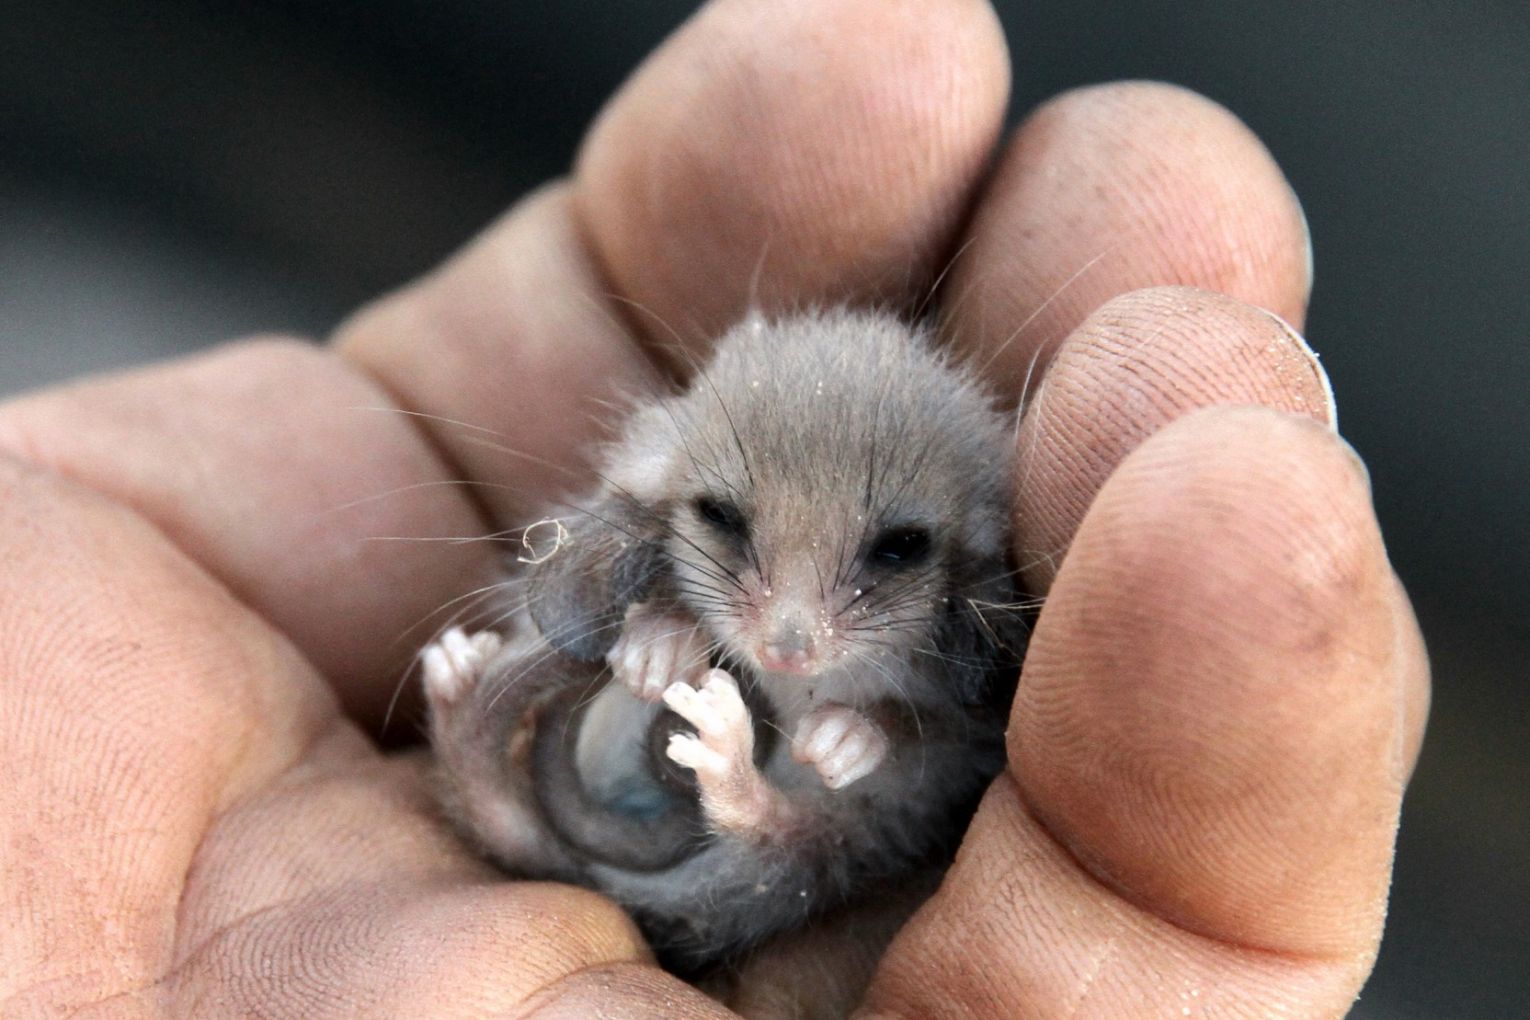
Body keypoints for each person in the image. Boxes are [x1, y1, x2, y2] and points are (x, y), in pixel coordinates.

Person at [0, 1, 1427, 1016]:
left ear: (966, 542)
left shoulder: (968, 600)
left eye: (886, 555)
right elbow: (587, 593)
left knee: (871, 797)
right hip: (590, 780)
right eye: (731, 536)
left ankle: (701, 803)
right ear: (672, 482)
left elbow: (926, 746)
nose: (794, 629)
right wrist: (600, 656)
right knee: (587, 662)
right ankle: (488, 765)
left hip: (758, 835)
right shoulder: (652, 520)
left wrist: (803, 776)